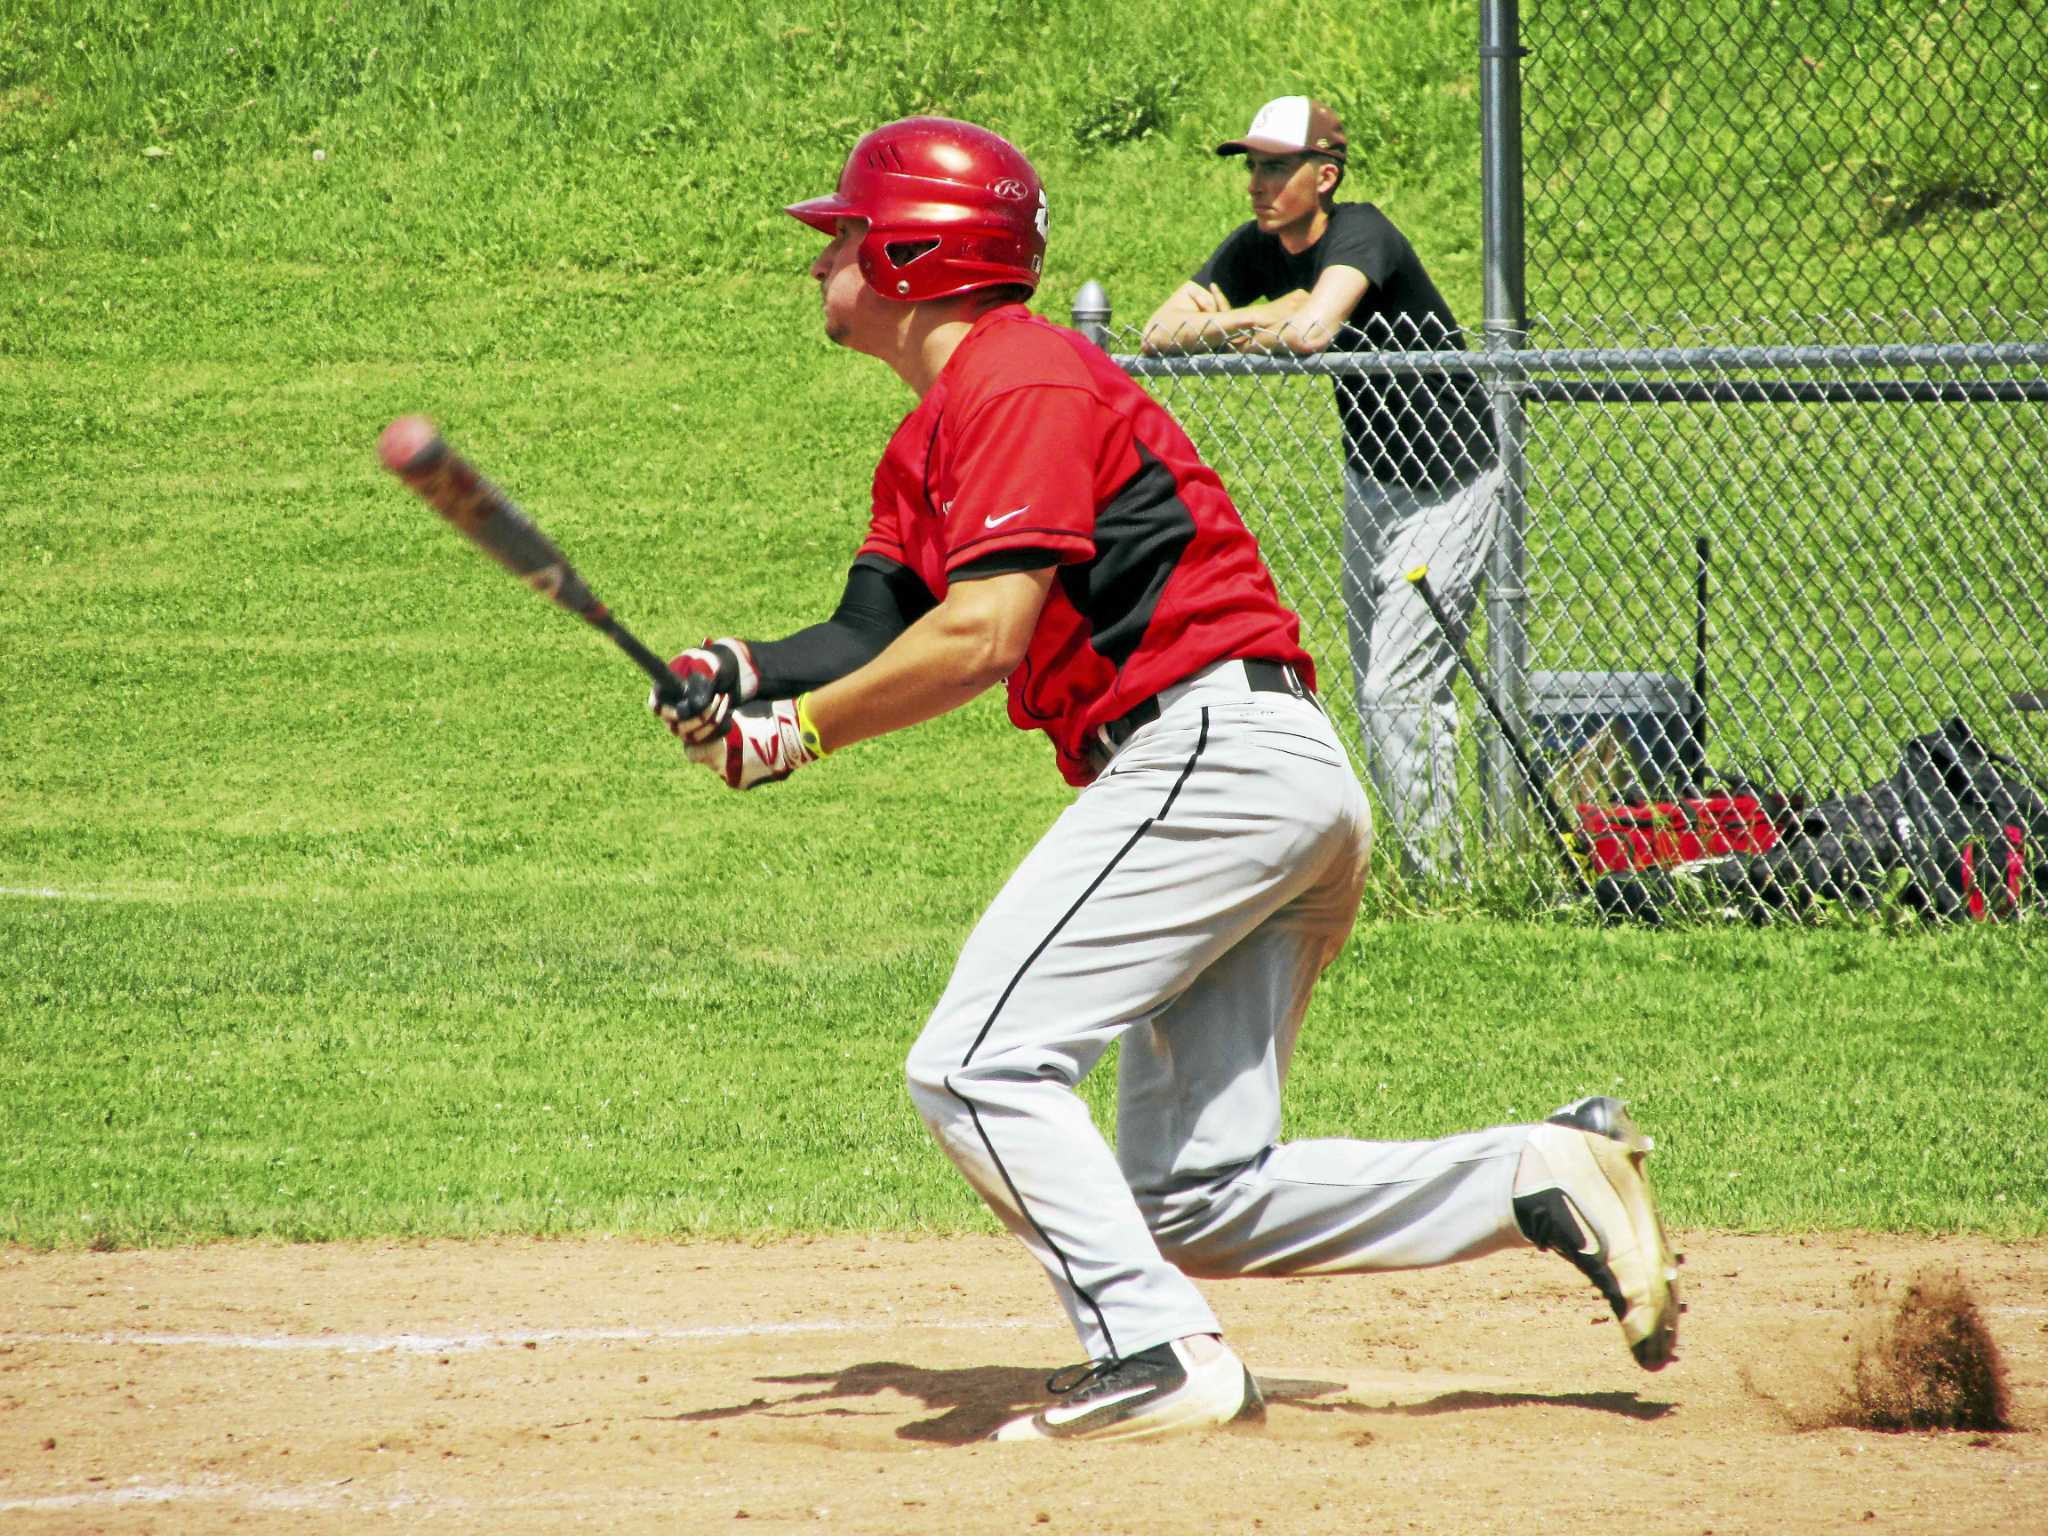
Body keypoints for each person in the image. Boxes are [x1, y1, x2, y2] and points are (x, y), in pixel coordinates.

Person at [653, 116, 1679, 1443]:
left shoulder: (1019, 379)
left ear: (913, 252)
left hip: (1210, 757)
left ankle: (1156, 1356)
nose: (822, 260)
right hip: (1255, 771)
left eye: (843, 234)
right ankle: (1540, 1174)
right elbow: (869, 633)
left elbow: (983, 638)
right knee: (1190, 1198)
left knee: (975, 1066)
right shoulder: (938, 434)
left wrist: (797, 738)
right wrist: (739, 669)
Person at [1143, 96, 1504, 884]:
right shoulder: (1257, 249)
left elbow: (1314, 333)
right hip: (1369, 479)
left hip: (1452, 480)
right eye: (1253, 166)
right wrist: (1266, 311)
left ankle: (1442, 881)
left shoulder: (1361, 230)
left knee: (1397, 690)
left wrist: (1259, 318)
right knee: (1382, 685)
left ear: (1325, 174)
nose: (1257, 184)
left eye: (1276, 167)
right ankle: (1421, 868)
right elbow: (1158, 333)